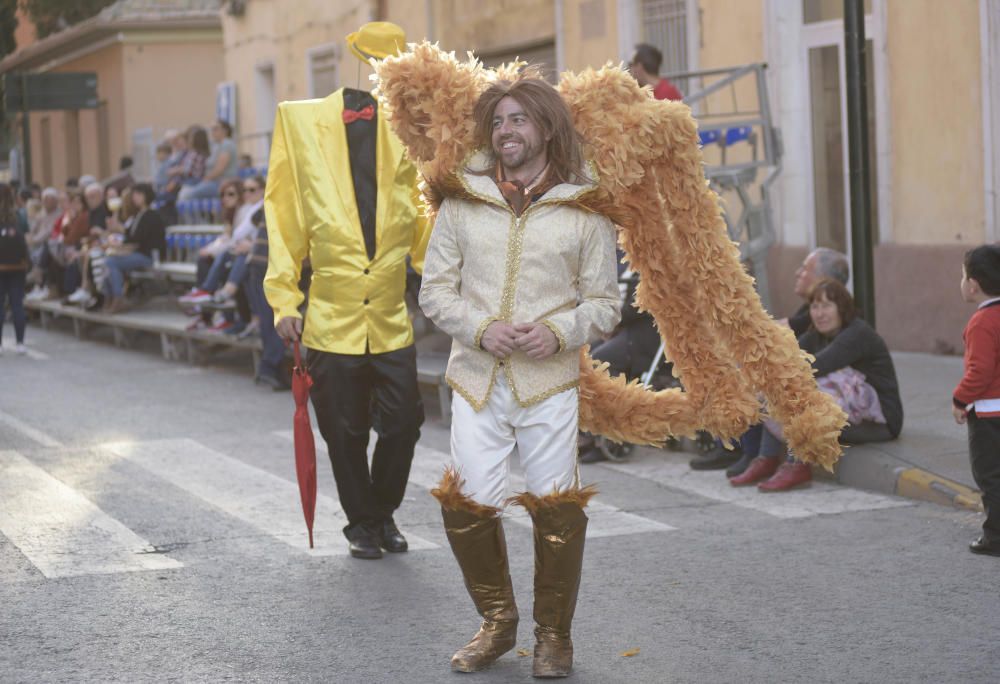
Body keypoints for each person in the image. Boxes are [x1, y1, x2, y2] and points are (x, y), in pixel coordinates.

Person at [419, 67, 620, 676]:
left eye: (519, 120)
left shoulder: (586, 211)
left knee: (558, 508)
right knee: (468, 505)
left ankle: (554, 637)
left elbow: (607, 305)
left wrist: (556, 332)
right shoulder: (461, 203)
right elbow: (434, 292)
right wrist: (482, 329)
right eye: (498, 121)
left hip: (549, 382)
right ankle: (497, 623)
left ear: (546, 128)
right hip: (477, 380)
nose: (506, 131)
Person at [265, 22, 431, 560]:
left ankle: (380, 511)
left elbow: (426, 219)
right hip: (331, 320)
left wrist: (447, 283)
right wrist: (284, 299)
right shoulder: (301, 123)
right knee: (344, 432)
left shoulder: (410, 134)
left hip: (389, 316)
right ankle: (364, 524)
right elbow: (283, 217)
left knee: (405, 424)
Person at [730, 279, 902, 491]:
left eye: (827, 306)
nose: (820, 314)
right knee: (776, 387)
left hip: (879, 423)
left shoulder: (857, 334)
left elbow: (814, 366)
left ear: (842, 308)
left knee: (803, 386)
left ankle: (798, 464)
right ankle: (767, 458)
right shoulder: (816, 335)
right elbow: (785, 360)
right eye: (815, 306)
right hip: (850, 416)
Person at [721, 246, 851, 477]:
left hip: (864, 416)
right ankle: (751, 452)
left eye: (805, 269)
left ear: (824, 280)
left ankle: (781, 459)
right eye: (816, 307)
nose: (798, 273)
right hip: (840, 402)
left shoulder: (851, 328)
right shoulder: (814, 316)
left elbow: (814, 364)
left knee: (781, 387)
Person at [953, 245, 1000, 557]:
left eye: (962, 275)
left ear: (973, 284)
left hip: (987, 415)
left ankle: (995, 537)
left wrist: (959, 399)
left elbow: (980, 370)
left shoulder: (982, 321)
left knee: (990, 475)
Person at [101, 184, 166, 313]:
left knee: (111, 262)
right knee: (107, 260)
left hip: (149, 256)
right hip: (139, 253)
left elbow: (137, 239)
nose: (134, 198)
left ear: (145, 196)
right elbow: (131, 235)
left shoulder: (151, 215)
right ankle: (110, 297)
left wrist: (120, 243)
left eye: (138, 194)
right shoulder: (140, 215)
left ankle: (117, 298)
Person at [0, 184, 29, 354]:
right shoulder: (19, 216)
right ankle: (20, 343)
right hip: (18, 266)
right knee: (17, 303)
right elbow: (26, 236)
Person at [178, 120, 239, 200]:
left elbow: (219, 169)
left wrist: (205, 179)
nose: (212, 132)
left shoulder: (227, 144)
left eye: (215, 129)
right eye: (212, 129)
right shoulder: (216, 145)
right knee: (185, 192)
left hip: (221, 182)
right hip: (212, 181)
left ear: (225, 130)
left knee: (187, 196)